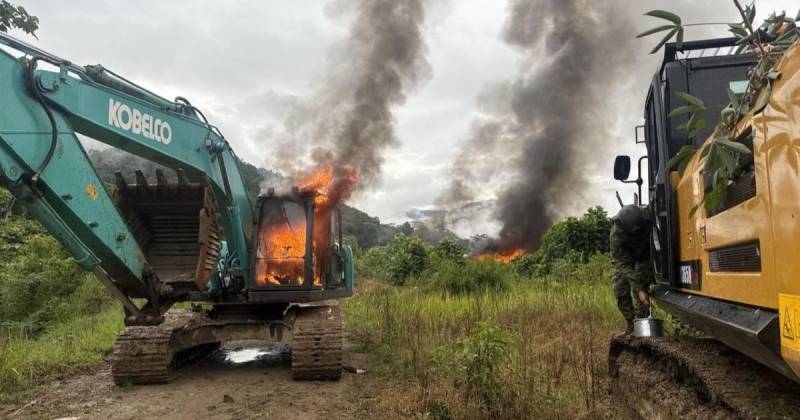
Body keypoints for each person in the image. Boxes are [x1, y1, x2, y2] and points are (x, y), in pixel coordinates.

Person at [610, 205, 654, 334]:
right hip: (625, 260)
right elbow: (622, 264)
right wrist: (638, 288)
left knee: (641, 285)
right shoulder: (616, 235)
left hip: (646, 257)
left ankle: (643, 324)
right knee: (619, 288)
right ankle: (631, 324)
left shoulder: (647, 215)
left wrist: (641, 289)